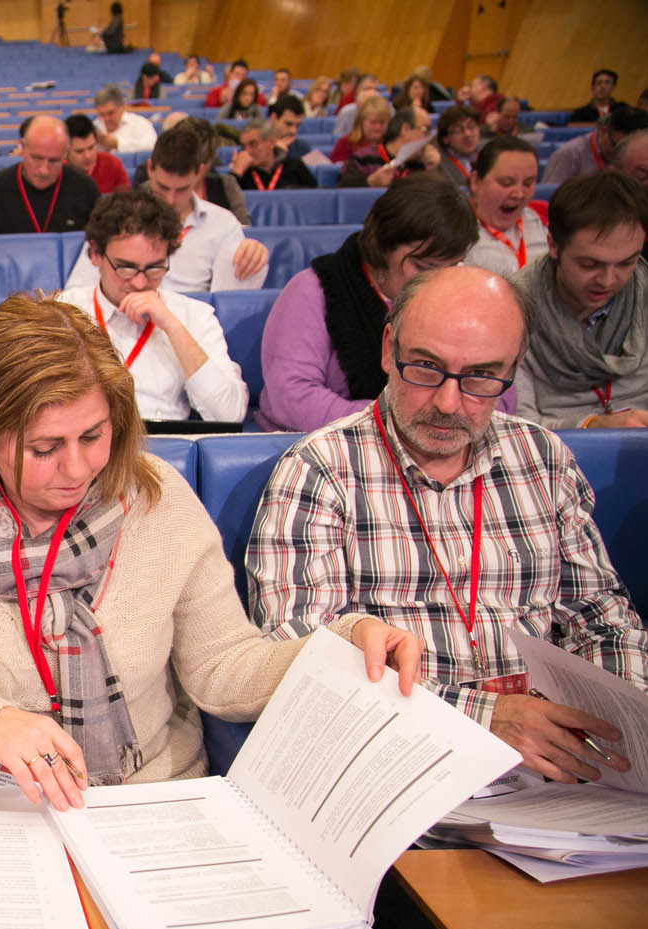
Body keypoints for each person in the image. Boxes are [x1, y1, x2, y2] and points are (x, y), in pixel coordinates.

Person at [0, 293, 419, 808]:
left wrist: (338, 645)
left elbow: (222, 671)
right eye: (45, 447)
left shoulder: (159, 500)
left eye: (93, 435)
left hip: (142, 798)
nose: (77, 468)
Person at [248, 266, 646, 783]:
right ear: (388, 349)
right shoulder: (321, 469)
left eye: (481, 376)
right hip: (401, 762)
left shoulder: (542, 459)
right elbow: (303, 656)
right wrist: (484, 719)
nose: (447, 402)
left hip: (555, 760)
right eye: (426, 368)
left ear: (515, 368)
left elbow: (601, 618)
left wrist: (623, 720)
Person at [256, 174, 479, 432]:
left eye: (452, 267)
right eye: (424, 267)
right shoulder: (311, 291)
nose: (438, 281)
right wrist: (399, 421)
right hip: (320, 442)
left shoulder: (459, 297)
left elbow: (492, 387)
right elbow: (292, 397)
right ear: (383, 247)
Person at [57, 190, 247, 423]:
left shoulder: (192, 315)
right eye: (126, 268)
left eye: (154, 268)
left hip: (167, 441)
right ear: (96, 255)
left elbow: (229, 415)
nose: (140, 283)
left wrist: (172, 327)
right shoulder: (64, 311)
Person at [514, 171, 648, 429]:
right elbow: (516, 426)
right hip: (557, 447)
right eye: (589, 264)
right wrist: (591, 426)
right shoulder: (514, 309)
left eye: (626, 263)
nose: (607, 281)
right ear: (553, 245)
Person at [84, 126, 265, 293]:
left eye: (182, 189)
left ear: (199, 172)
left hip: (192, 315)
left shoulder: (223, 225)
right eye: (163, 187)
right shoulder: (115, 217)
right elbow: (80, 290)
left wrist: (253, 253)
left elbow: (226, 302)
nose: (170, 200)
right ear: (150, 169)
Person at [0, 116, 99, 235]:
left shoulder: (85, 188)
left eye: (54, 161)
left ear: (65, 154)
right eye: (37, 158)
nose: (44, 170)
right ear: (22, 147)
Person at [463, 137, 546, 277]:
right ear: (476, 182)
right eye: (506, 183)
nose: (519, 194)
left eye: (527, 183)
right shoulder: (452, 232)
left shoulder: (542, 220)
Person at [542, 106, 648, 185]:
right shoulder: (568, 155)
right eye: (617, 147)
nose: (622, 155)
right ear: (603, 131)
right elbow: (549, 201)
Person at [336, 107, 432, 188]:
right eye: (425, 130)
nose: (428, 138)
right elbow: (342, 186)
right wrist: (370, 182)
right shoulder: (363, 158)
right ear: (405, 129)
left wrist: (432, 169)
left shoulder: (422, 163)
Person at [230, 119, 316, 190]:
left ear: (270, 142)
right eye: (243, 146)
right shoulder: (243, 173)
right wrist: (236, 174)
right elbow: (224, 203)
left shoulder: (295, 166)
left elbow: (315, 196)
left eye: (253, 144)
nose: (247, 151)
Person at [65, 114, 129, 195]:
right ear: (66, 152)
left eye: (91, 148)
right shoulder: (57, 171)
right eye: (79, 151)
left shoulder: (112, 163)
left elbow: (125, 199)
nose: (88, 156)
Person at [94, 85, 157, 154]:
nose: (106, 119)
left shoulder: (140, 123)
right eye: (101, 114)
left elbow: (152, 146)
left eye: (111, 113)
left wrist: (118, 144)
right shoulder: (94, 126)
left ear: (122, 107)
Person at [330, 96, 391, 165]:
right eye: (373, 122)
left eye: (382, 122)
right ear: (361, 121)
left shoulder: (393, 144)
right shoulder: (345, 144)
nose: (378, 127)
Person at [436, 105, 483, 185]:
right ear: (445, 138)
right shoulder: (439, 165)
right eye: (458, 130)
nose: (467, 134)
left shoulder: (487, 153)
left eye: (471, 127)